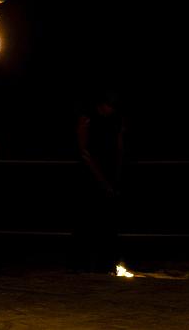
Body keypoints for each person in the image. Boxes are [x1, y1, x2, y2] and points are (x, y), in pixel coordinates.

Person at [69, 88, 126, 274]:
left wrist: (115, 180)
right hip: (89, 179)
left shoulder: (115, 121)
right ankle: (82, 265)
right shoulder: (87, 119)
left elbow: (118, 149)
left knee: (107, 223)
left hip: (107, 177)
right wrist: (103, 181)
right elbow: (84, 152)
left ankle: (105, 264)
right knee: (86, 221)